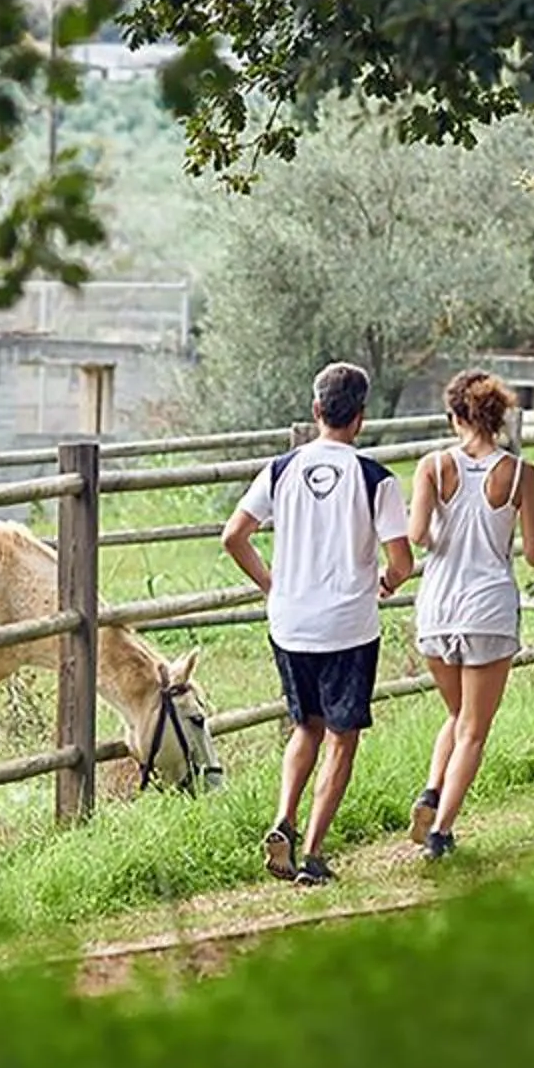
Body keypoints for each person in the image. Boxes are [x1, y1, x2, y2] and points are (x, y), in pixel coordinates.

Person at [220, 362, 415, 886]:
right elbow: (402, 560)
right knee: (342, 738)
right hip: (348, 626)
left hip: (291, 622)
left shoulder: (280, 470)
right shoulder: (377, 479)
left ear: (316, 411)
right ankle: (312, 855)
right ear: (362, 418)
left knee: (306, 725)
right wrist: (389, 582)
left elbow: (233, 535)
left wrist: (270, 584)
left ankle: (284, 817)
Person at [404, 368, 534, 860]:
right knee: (473, 730)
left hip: (438, 608)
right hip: (488, 610)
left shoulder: (432, 466)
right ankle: (440, 832)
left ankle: (429, 790)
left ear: (454, 417)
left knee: (457, 714)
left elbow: (418, 535)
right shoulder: (522, 474)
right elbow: (533, 553)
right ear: (498, 417)